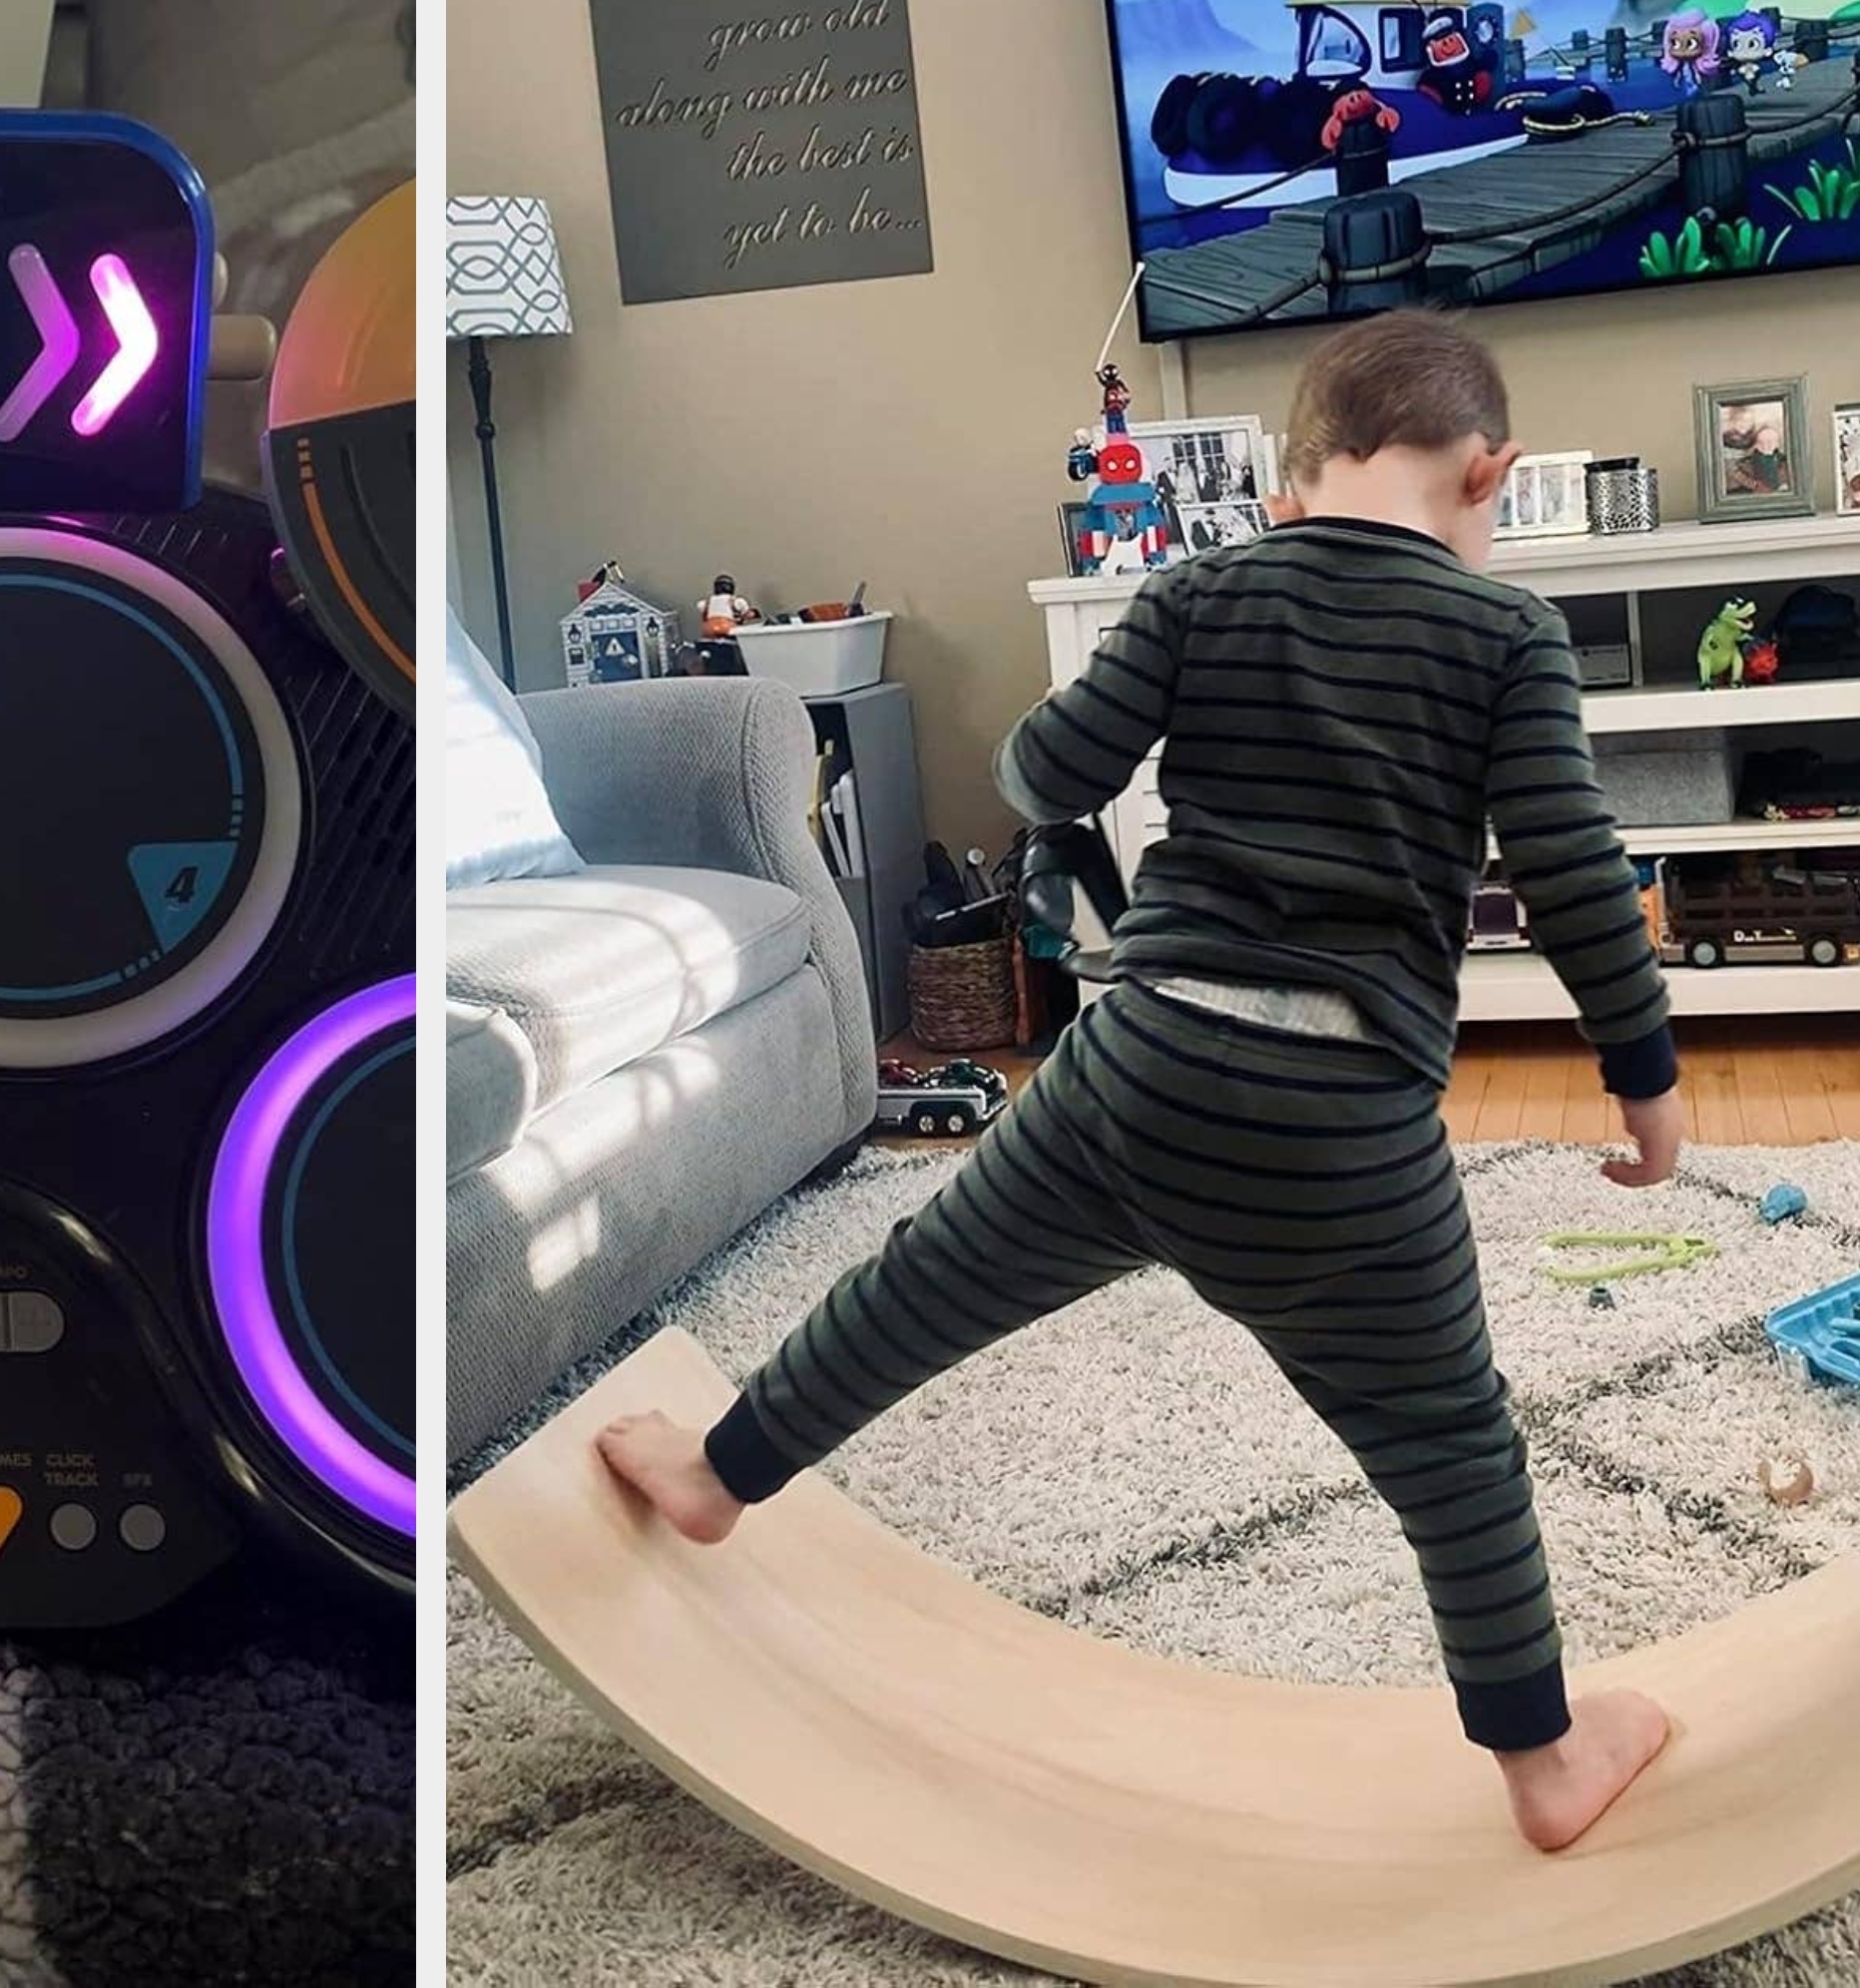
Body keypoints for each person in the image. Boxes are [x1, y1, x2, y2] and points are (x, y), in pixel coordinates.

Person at [596, 310, 1684, 1854]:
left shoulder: (1201, 584)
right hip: (1338, 1124)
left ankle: (717, 1477)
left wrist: (1141, 697)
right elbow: (1574, 873)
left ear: (1293, 486)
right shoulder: (1502, 639)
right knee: (1449, 1445)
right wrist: (1644, 1082)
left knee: (921, 1285)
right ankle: (1543, 1760)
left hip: (1136, 1067)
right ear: (1486, 476)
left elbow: (1046, 775)